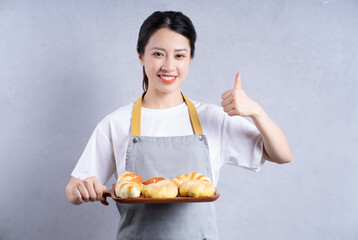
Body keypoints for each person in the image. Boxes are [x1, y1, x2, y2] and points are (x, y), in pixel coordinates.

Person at [65, 11, 291, 240]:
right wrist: (82, 190)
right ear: (141, 56)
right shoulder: (116, 123)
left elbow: (282, 155)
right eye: (158, 54)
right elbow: (72, 191)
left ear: (190, 58)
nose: (169, 66)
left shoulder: (213, 118)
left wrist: (256, 112)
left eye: (179, 55)